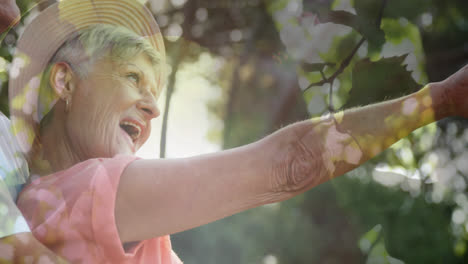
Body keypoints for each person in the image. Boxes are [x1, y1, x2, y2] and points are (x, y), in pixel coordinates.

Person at [5, 0, 468, 263]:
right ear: (64, 81)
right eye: (132, 78)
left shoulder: (37, 205)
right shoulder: (87, 193)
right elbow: (289, 164)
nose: (152, 108)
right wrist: (439, 100)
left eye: (155, 92)